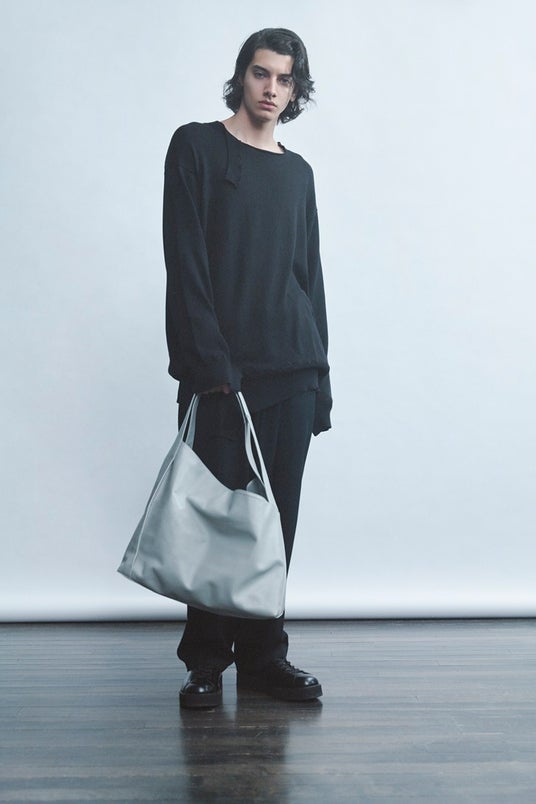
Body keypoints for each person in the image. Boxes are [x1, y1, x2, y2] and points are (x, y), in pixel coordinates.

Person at [163, 27, 332, 709]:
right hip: (221, 375)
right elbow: (186, 263)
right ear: (241, 76)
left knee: (274, 524)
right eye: (262, 73)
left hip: (293, 367)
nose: (271, 88)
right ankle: (206, 660)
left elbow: (308, 277)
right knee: (215, 519)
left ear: (296, 90)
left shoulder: (298, 173)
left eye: (285, 79)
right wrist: (209, 365)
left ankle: (264, 657)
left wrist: (322, 379)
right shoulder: (197, 147)